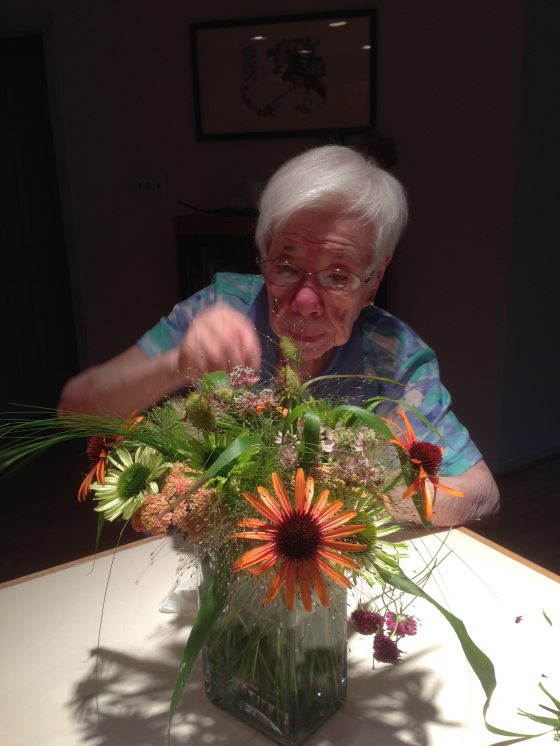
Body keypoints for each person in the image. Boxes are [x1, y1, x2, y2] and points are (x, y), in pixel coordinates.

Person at [58, 145, 499, 528]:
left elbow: (482, 492)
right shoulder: (221, 308)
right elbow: (74, 411)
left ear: (375, 277)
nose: (306, 300)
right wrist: (175, 366)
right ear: (265, 253)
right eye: (286, 267)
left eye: (338, 275)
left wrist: (376, 485)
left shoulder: (395, 359)